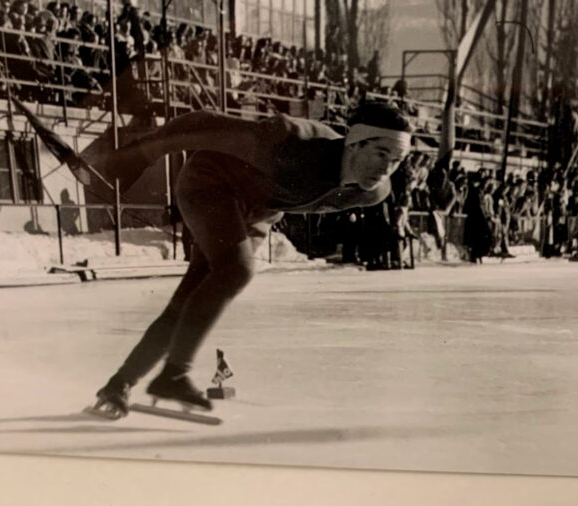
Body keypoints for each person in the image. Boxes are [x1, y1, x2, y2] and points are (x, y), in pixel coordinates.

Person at [86, 102, 413, 417]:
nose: (386, 169)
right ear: (354, 144)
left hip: (258, 209)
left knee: (194, 296)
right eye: (381, 153)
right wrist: (136, 156)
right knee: (236, 270)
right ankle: (173, 374)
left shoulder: (372, 192)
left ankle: (120, 384)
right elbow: (200, 124)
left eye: (396, 160)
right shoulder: (290, 143)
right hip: (210, 182)